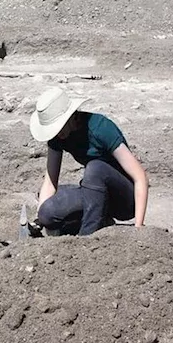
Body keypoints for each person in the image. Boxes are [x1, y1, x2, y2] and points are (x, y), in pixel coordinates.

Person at [30, 87, 149, 236]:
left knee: (95, 168)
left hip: (126, 199)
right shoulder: (57, 137)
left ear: (72, 116)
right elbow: (50, 182)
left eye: (59, 126)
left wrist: (139, 228)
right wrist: (39, 220)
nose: (57, 133)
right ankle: (103, 222)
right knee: (47, 212)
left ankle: (87, 237)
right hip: (97, 194)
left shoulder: (100, 127)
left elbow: (140, 176)